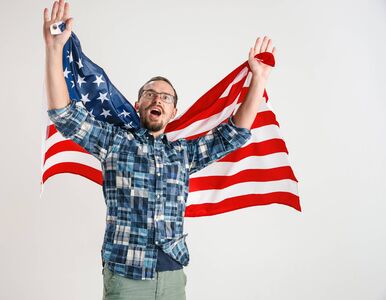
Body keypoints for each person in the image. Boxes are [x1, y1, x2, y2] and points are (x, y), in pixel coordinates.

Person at [42, 1, 276, 299]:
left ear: (173, 111)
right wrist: (54, 50)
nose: (158, 99)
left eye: (165, 97)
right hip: (126, 274)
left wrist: (259, 78)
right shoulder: (114, 142)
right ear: (138, 104)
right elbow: (64, 115)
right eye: (150, 94)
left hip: (172, 275)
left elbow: (233, 134)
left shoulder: (182, 154)